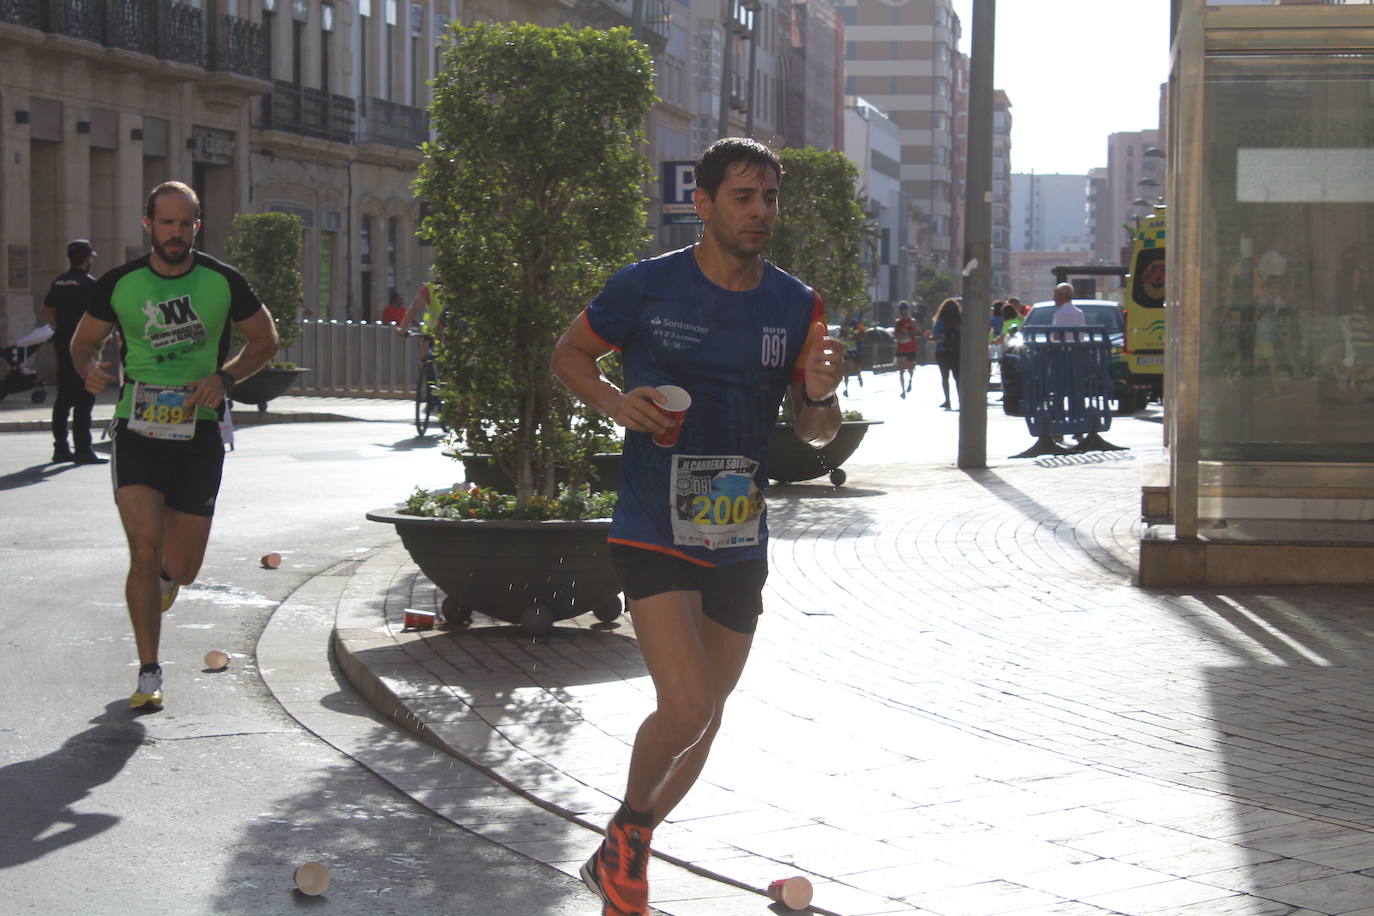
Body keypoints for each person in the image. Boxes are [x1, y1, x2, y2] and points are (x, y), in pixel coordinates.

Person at [551, 137, 843, 916]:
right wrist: (618, 403)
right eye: (743, 197)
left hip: (738, 534)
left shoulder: (795, 304)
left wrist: (819, 392)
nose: (759, 213)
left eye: (770, 198)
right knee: (684, 707)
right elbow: (571, 354)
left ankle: (623, 849)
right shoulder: (647, 287)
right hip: (651, 521)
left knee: (707, 717)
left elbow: (815, 434)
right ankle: (629, 850)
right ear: (704, 203)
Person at [69, 180, 278, 712]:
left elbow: (265, 340)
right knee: (141, 550)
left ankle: (168, 577)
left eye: (186, 224)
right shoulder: (119, 284)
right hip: (137, 430)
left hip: (198, 433)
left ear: (196, 227)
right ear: (149, 226)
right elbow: (82, 343)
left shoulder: (223, 281)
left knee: (182, 567)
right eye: (167, 223)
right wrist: (88, 370)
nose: (176, 234)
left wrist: (225, 379)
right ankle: (149, 672)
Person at [41, 239, 104, 464]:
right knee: (84, 399)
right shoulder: (90, 284)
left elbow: (47, 307)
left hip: (62, 346)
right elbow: (100, 314)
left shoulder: (59, 282)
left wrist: (58, 327)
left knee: (63, 398)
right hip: (83, 349)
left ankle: (60, 449)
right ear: (87, 259)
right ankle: (83, 450)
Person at [932, 297, 961, 409]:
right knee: (958, 378)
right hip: (956, 352)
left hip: (942, 352)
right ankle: (960, 399)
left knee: (945, 377)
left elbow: (935, 335)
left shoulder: (940, 321)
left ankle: (947, 400)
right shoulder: (960, 321)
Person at [893, 300, 922, 398]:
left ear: (907, 310)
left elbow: (919, 332)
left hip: (911, 347)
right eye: (900, 309)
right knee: (901, 370)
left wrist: (910, 333)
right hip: (901, 347)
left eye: (904, 309)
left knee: (910, 368)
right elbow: (895, 334)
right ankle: (903, 390)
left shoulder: (912, 321)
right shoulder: (898, 322)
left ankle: (910, 381)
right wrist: (899, 335)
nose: (902, 311)